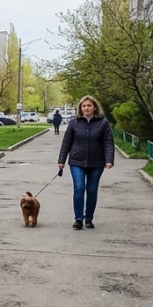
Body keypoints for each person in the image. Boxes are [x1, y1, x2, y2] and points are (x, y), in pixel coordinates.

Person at [58, 95, 114, 230]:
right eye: (84, 106)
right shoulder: (74, 123)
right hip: (77, 161)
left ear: (95, 107)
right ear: (80, 108)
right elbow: (66, 142)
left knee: (92, 190)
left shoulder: (103, 123)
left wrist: (109, 159)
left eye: (89, 105)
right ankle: (78, 219)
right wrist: (61, 160)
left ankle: (89, 218)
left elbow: (108, 142)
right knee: (79, 188)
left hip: (97, 163)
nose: (86, 108)